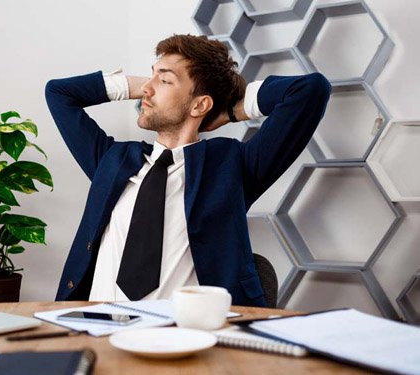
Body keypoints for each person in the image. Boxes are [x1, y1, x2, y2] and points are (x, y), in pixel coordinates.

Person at [45, 34, 331, 307]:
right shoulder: (112, 160)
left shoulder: (231, 168)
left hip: (185, 340)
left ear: (200, 103)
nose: (148, 87)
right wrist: (147, 85)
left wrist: (230, 110)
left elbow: (310, 90)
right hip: (97, 332)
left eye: (165, 80)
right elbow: (59, 93)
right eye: (152, 75)